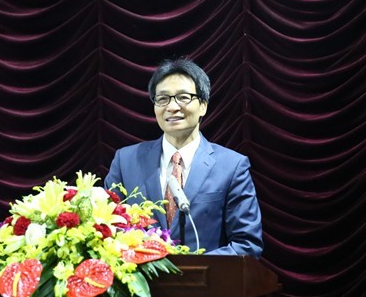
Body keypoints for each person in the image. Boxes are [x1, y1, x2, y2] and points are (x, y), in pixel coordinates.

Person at [104, 58, 263, 257]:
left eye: (183, 97)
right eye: (162, 99)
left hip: (207, 285)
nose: (172, 107)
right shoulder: (126, 161)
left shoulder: (231, 166)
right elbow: (106, 230)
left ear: (203, 105)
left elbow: (247, 245)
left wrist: (190, 270)